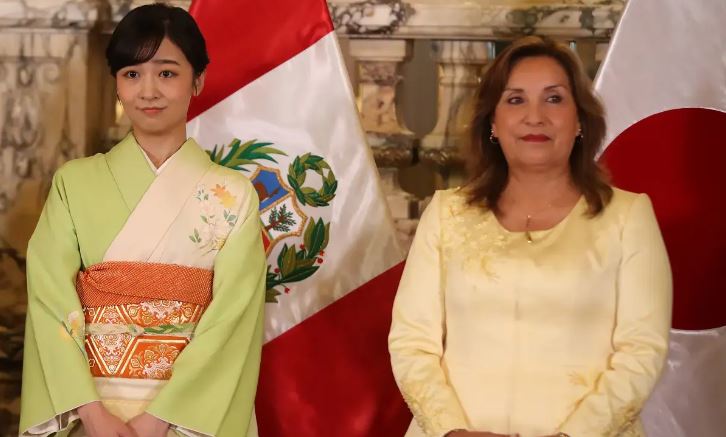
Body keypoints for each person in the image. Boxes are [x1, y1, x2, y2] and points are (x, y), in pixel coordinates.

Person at [388, 36, 672, 437]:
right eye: (516, 100)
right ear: (492, 122)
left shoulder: (627, 217)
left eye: (554, 99)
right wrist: (451, 431)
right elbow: (411, 342)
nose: (534, 116)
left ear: (579, 121)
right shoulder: (447, 214)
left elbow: (642, 351)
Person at [19, 4, 265, 437]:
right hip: (90, 417)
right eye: (131, 74)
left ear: (198, 80)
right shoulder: (73, 184)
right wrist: (93, 414)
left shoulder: (235, 195)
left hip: (186, 420)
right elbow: (49, 303)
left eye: (166, 73)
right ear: (116, 85)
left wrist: (162, 418)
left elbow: (232, 318)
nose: (148, 90)